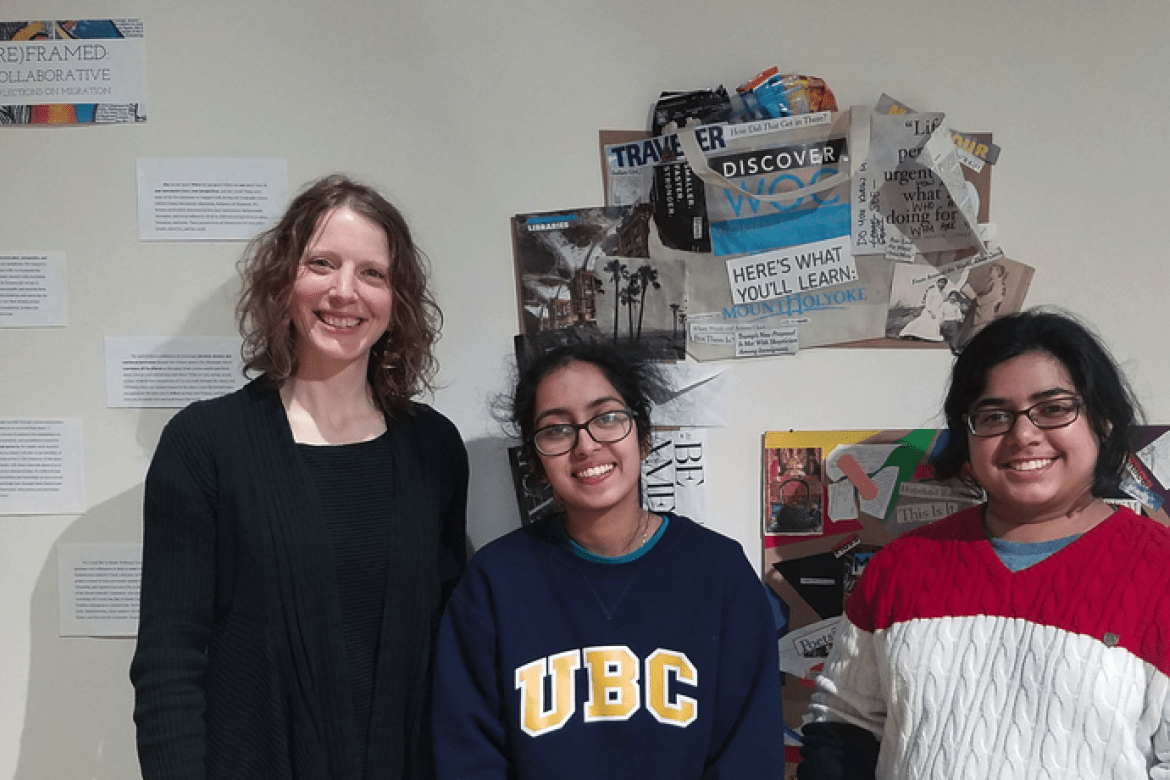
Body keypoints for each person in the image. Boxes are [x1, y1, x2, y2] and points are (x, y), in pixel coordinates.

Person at [130, 174, 469, 780]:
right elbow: (168, 665)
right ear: (284, 280)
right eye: (322, 263)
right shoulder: (204, 445)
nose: (345, 292)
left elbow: (446, 648)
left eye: (372, 273)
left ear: (398, 301)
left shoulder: (434, 449)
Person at [798, 309, 1170, 779]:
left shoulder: (1161, 573)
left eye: (1054, 408)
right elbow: (842, 723)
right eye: (994, 416)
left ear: (1103, 420)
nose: (1023, 435)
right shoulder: (902, 566)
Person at [432, 342, 784, 779]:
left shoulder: (719, 572)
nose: (586, 443)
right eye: (557, 429)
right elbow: (467, 756)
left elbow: (748, 754)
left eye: (607, 417)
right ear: (537, 464)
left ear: (645, 435)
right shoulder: (494, 582)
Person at [898, 276, 950, 342]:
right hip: (929, 310)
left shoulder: (944, 294)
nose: (942, 284)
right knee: (921, 321)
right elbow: (927, 303)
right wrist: (930, 312)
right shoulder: (932, 291)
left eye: (944, 283)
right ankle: (906, 333)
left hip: (938, 311)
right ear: (937, 283)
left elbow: (944, 304)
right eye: (941, 282)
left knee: (935, 324)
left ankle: (928, 337)